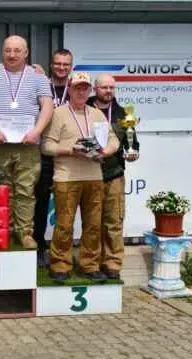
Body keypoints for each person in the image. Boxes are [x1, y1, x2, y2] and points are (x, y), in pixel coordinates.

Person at [42, 72, 119, 282]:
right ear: (69, 89)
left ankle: (90, 265)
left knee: (93, 225)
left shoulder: (97, 114)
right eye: (77, 88)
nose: (81, 92)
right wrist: (71, 151)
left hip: (94, 176)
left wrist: (106, 151)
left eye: (85, 88)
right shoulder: (58, 113)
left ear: (90, 91)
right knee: (64, 224)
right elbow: (47, 145)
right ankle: (60, 265)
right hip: (66, 177)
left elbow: (113, 140)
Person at [0, 35, 53, 249]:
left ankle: (24, 232)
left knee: (25, 190)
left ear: (26, 53)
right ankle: (4, 231)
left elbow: (47, 106)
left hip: (28, 144)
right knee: (1, 189)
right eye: (8, 50)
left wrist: (37, 132)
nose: (12, 55)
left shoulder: (38, 77)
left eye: (17, 51)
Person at [87, 74, 140, 279]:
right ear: (95, 89)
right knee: (92, 222)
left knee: (114, 221)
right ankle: (92, 262)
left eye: (111, 87)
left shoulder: (123, 114)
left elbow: (132, 144)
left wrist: (133, 152)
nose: (108, 91)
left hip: (114, 173)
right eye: (104, 87)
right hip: (88, 173)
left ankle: (112, 264)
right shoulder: (84, 109)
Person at [33, 48, 74, 266]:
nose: (61, 67)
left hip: (68, 155)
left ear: (71, 67)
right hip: (44, 153)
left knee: (65, 205)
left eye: (66, 64)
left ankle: (62, 250)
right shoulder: (41, 85)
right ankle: (38, 246)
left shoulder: (76, 89)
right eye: (58, 63)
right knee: (40, 203)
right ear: (51, 65)